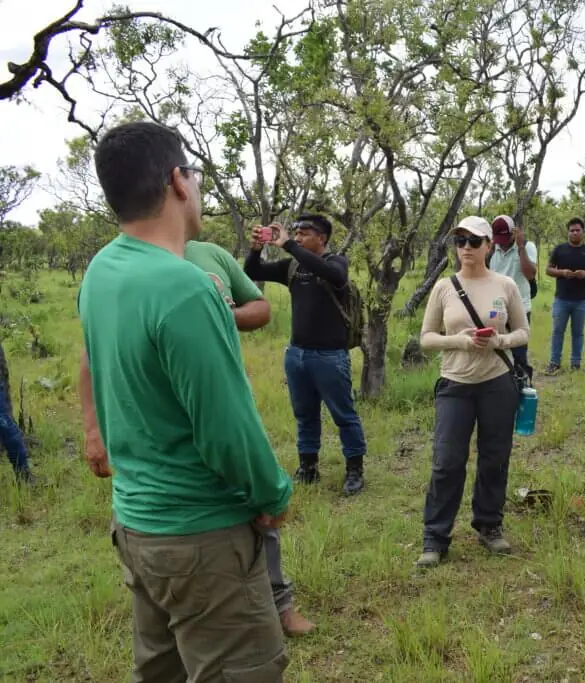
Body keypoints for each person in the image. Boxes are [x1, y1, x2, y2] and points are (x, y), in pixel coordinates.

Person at [77, 120, 293, 681]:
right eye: (193, 172)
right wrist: (273, 491)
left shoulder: (102, 270)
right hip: (202, 535)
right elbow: (225, 429)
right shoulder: (185, 287)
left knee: (161, 670)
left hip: (138, 526)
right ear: (178, 181)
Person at [79, 237, 315, 637]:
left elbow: (260, 308)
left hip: (166, 494)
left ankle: (279, 603)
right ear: (176, 184)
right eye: (192, 174)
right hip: (188, 505)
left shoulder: (204, 257)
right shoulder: (135, 273)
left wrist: (220, 315)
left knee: (163, 653)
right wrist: (91, 428)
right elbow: (92, 352)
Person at [415, 216, 530, 568]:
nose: (465, 247)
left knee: (495, 458)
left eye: (473, 241)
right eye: (460, 241)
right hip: (455, 384)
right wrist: (459, 341)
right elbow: (426, 338)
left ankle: (489, 525)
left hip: (497, 383)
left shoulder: (506, 284)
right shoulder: (444, 287)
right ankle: (435, 537)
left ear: (488, 245)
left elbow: (523, 332)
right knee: (447, 462)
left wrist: (500, 340)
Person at [244, 216, 368, 496]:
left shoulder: (338, 262)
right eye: (295, 233)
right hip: (297, 355)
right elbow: (253, 271)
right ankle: (308, 467)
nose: (298, 237)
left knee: (343, 415)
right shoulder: (293, 266)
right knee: (305, 414)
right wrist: (254, 248)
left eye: (304, 233)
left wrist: (288, 244)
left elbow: (333, 275)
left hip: (330, 356)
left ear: (322, 237)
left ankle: (354, 470)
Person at [544, 217, 585, 373]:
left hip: (581, 300)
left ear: (583, 232)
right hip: (561, 299)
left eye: (578, 230)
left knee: (578, 333)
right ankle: (554, 362)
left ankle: (575, 363)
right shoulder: (559, 249)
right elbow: (548, 270)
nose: (575, 233)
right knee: (558, 331)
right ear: (568, 232)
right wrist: (562, 272)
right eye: (572, 230)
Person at [487, 214, 538, 381]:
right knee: (497, 351)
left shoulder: (527, 247)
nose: (501, 242)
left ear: (513, 233)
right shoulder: (494, 250)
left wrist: (521, 247)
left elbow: (530, 274)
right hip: (497, 310)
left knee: (519, 354)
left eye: (504, 237)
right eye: (497, 238)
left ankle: (524, 390)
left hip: (520, 309)